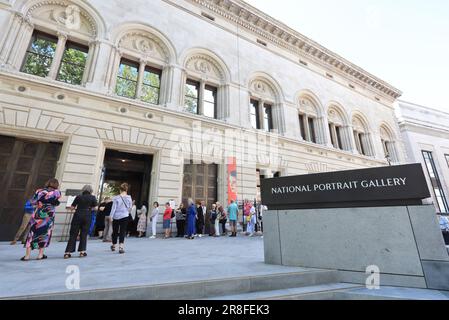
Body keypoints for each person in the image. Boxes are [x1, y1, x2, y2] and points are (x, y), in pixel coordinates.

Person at [21, 179, 61, 261]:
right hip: (49, 216)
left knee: (32, 234)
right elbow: (56, 202)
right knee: (45, 234)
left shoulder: (39, 191)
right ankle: (40, 255)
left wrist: (39, 203)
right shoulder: (57, 192)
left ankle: (27, 256)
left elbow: (33, 202)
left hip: (38, 215)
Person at [64, 185, 98, 259]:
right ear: (90, 190)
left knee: (73, 234)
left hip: (78, 215)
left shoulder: (78, 197)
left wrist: (70, 208)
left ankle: (67, 253)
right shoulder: (93, 197)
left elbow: (72, 207)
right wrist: (89, 209)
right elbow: (95, 207)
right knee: (84, 234)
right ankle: (82, 252)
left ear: (83, 190)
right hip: (87, 216)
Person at [110, 183, 132, 254]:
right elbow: (130, 208)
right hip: (125, 216)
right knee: (122, 231)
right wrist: (126, 212)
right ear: (126, 190)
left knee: (115, 231)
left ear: (120, 190)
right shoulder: (129, 197)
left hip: (116, 216)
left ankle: (113, 245)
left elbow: (113, 208)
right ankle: (121, 247)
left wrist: (111, 216)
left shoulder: (116, 197)